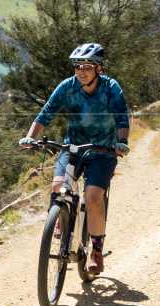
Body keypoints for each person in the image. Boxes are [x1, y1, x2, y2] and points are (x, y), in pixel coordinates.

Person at [22, 42, 130, 273]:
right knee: (58, 186)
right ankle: (60, 217)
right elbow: (46, 114)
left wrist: (122, 142)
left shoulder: (111, 88)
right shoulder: (67, 87)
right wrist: (30, 138)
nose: (81, 71)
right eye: (77, 66)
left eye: (87, 66)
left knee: (92, 197)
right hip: (73, 146)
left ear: (98, 69)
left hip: (103, 150)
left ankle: (97, 251)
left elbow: (122, 118)